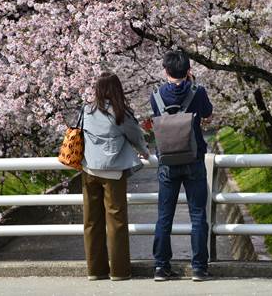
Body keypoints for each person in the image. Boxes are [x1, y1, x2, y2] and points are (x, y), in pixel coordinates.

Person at [150, 50, 213, 282]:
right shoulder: (198, 92)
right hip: (194, 159)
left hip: (167, 161)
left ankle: (160, 267)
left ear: (165, 71)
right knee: (197, 215)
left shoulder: (155, 94)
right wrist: (193, 85)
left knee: (164, 216)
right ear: (188, 71)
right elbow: (207, 113)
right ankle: (198, 268)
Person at [81, 72, 150, 281]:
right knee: (116, 222)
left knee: (91, 222)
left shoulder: (87, 110)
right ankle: (119, 271)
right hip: (113, 172)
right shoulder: (120, 113)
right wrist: (144, 150)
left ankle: (95, 271)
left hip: (89, 170)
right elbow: (136, 135)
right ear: (117, 89)